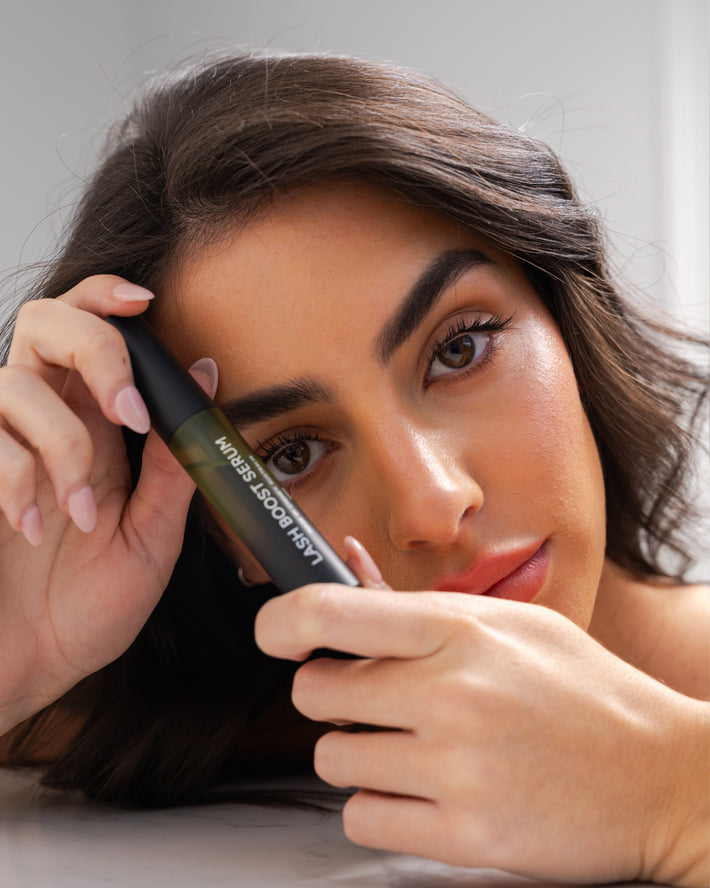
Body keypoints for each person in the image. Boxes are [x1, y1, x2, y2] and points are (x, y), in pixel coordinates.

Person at [0, 51, 707, 886]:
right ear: (222, 531)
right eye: (292, 455)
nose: (433, 503)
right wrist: (19, 644)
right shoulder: (203, 737)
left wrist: (672, 792)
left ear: (563, 317)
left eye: (459, 349)